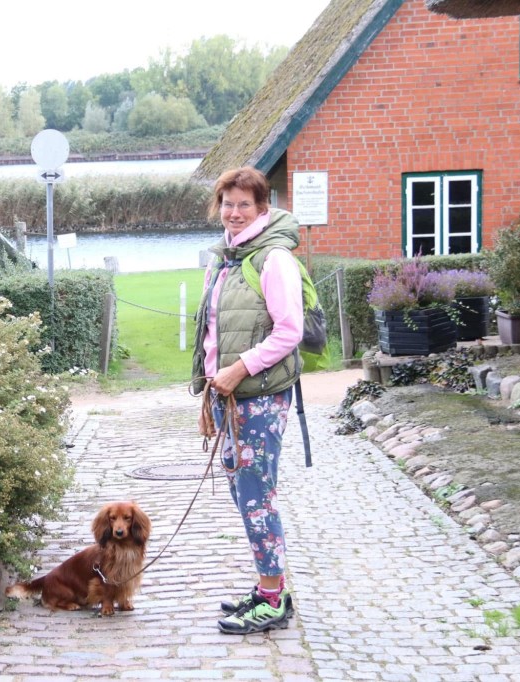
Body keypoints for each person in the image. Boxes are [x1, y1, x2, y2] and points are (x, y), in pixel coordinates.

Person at [191, 166, 304, 635]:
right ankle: (267, 587)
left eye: (244, 204)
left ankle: (274, 600)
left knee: (257, 496)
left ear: (262, 208)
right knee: (244, 493)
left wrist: (240, 369)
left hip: (259, 395)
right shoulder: (225, 259)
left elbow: (289, 331)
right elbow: (212, 332)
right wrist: (208, 391)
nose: (234, 213)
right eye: (227, 203)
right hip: (228, 396)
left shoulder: (274, 259)